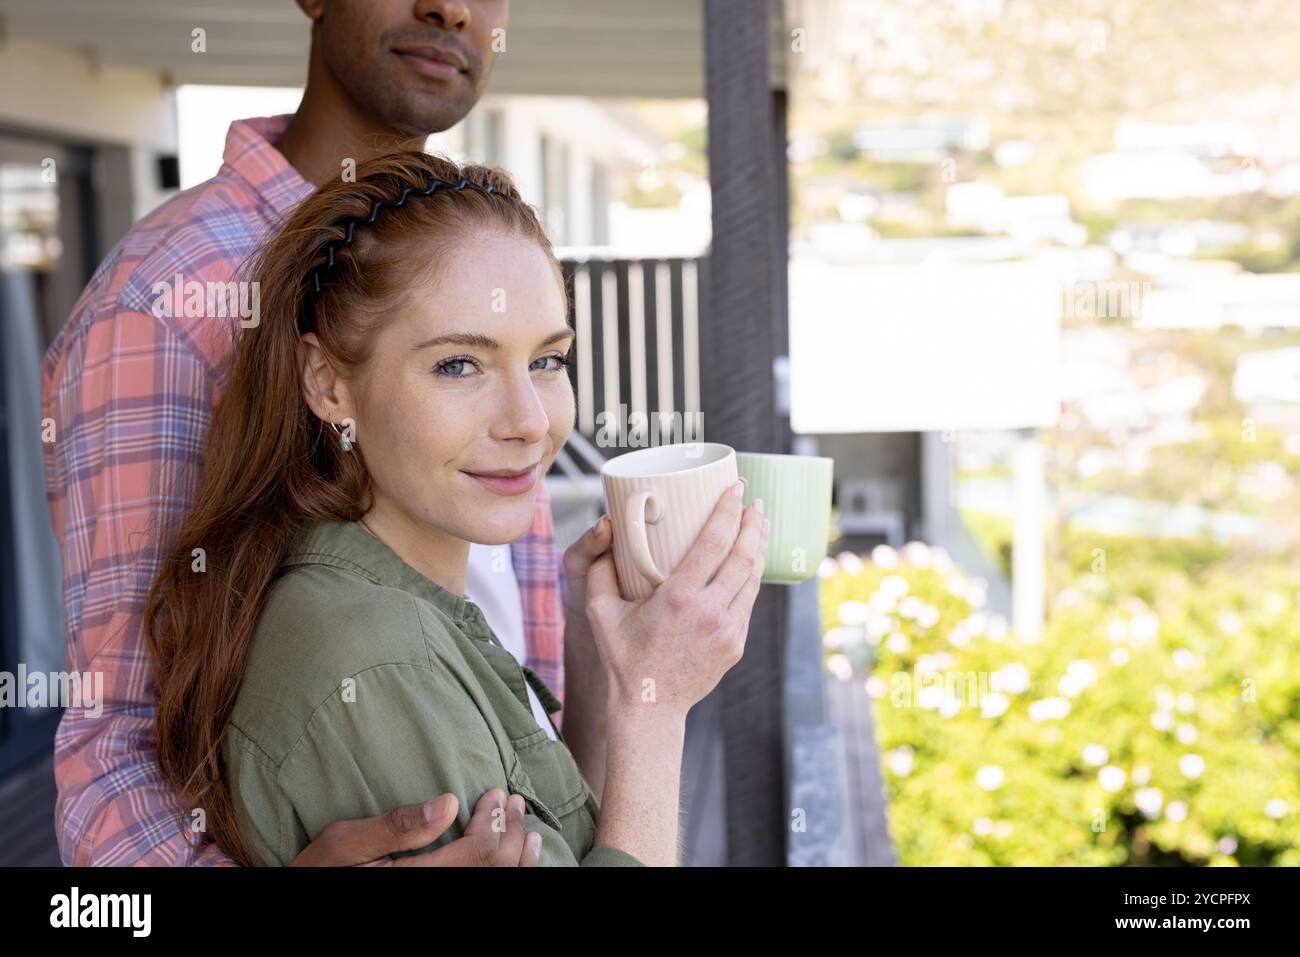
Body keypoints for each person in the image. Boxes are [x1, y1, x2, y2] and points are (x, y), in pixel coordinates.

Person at [40, 0, 760, 866]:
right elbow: (118, 741)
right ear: (324, 378)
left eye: (549, 359)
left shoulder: (476, 252)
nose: (451, 6)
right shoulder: (164, 302)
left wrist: (608, 665)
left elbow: (534, 764)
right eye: (458, 363)